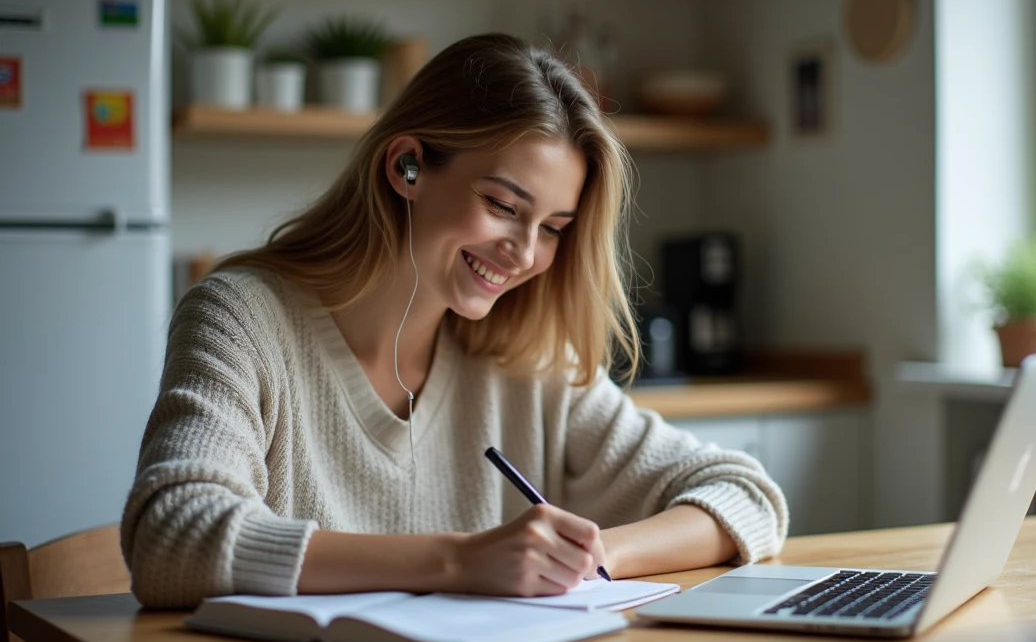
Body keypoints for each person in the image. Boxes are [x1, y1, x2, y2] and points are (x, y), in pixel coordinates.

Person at [121, 33, 787, 609]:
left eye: (553, 228)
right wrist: (462, 562)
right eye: (503, 205)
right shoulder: (241, 318)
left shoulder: (525, 357)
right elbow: (170, 534)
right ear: (406, 166)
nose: (525, 255)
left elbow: (747, 495)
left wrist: (585, 557)